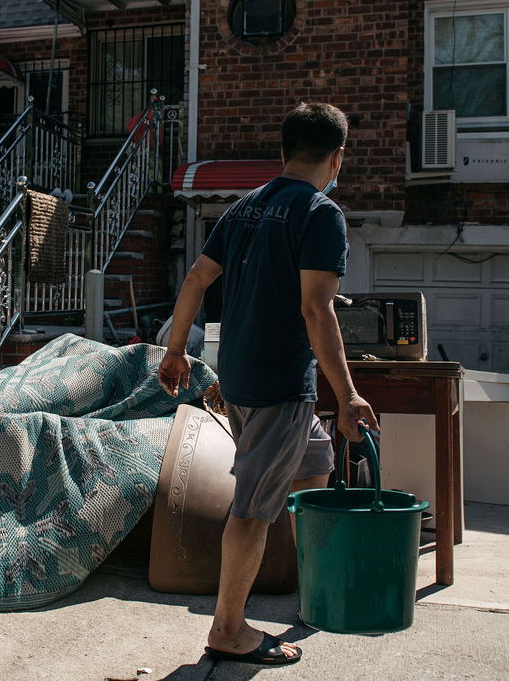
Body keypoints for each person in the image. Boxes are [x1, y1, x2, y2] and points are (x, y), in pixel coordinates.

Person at [157, 102, 376, 667]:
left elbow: (196, 279)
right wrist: (349, 394)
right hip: (278, 386)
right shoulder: (321, 213)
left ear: (282, 153)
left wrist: (177, 350)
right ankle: (228, 629)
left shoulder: (244, 207)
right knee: (252, 510)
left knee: (315, 459)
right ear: (338, 158)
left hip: (242, 376)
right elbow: (316, 308)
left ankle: (315, 580)